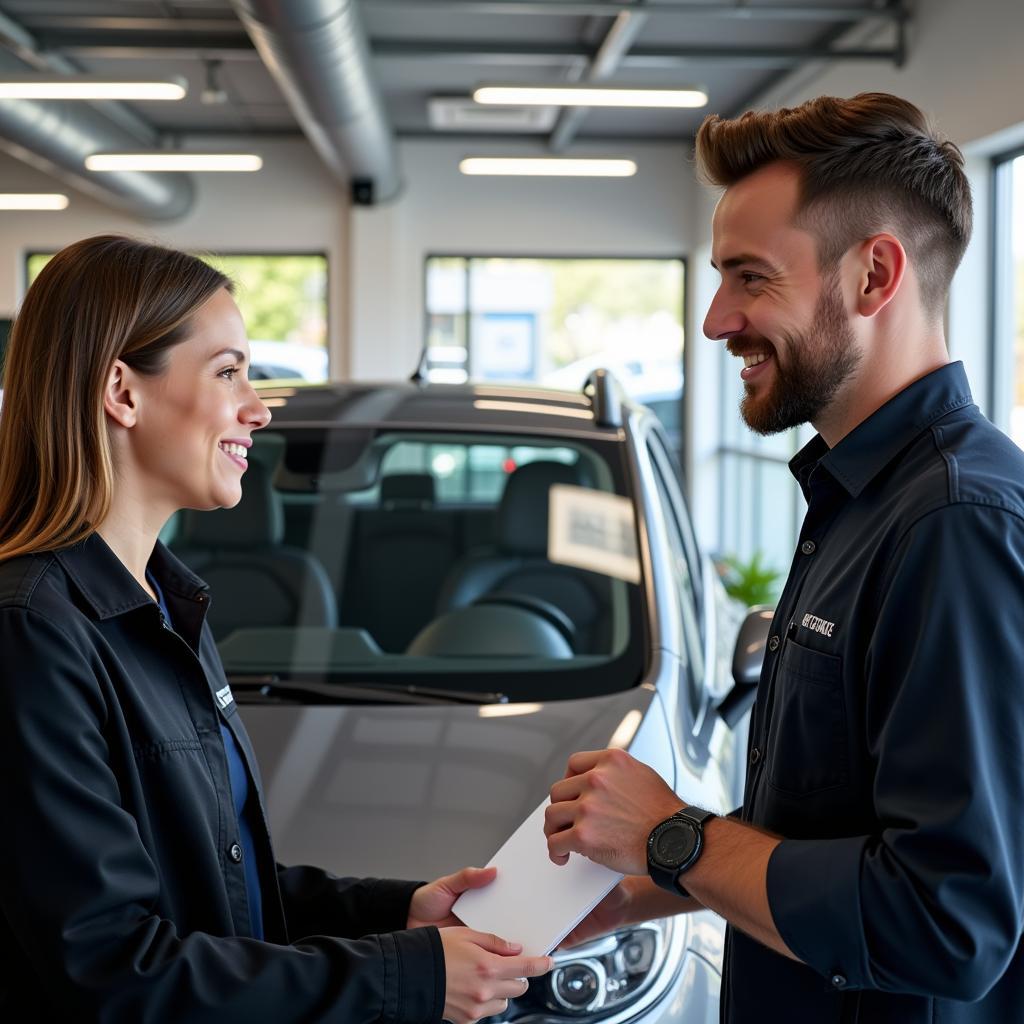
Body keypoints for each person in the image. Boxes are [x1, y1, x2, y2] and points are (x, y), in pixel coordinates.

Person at [543, 93, 1024, 1023]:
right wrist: (631, 889)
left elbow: (946, 923)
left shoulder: (956, 525)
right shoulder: (855, 501)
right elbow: (827, 835)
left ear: (874, 275)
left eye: (750, 278)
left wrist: (672, 836)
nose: (718, 320)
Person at [0, 235, 551, 1023]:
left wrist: (400, 913)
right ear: (122, 392)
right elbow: (111, 966)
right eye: (228, 372)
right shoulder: (32, 632)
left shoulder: (162, 603)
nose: (257, 408)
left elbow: (218, 886)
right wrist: (406, 977)